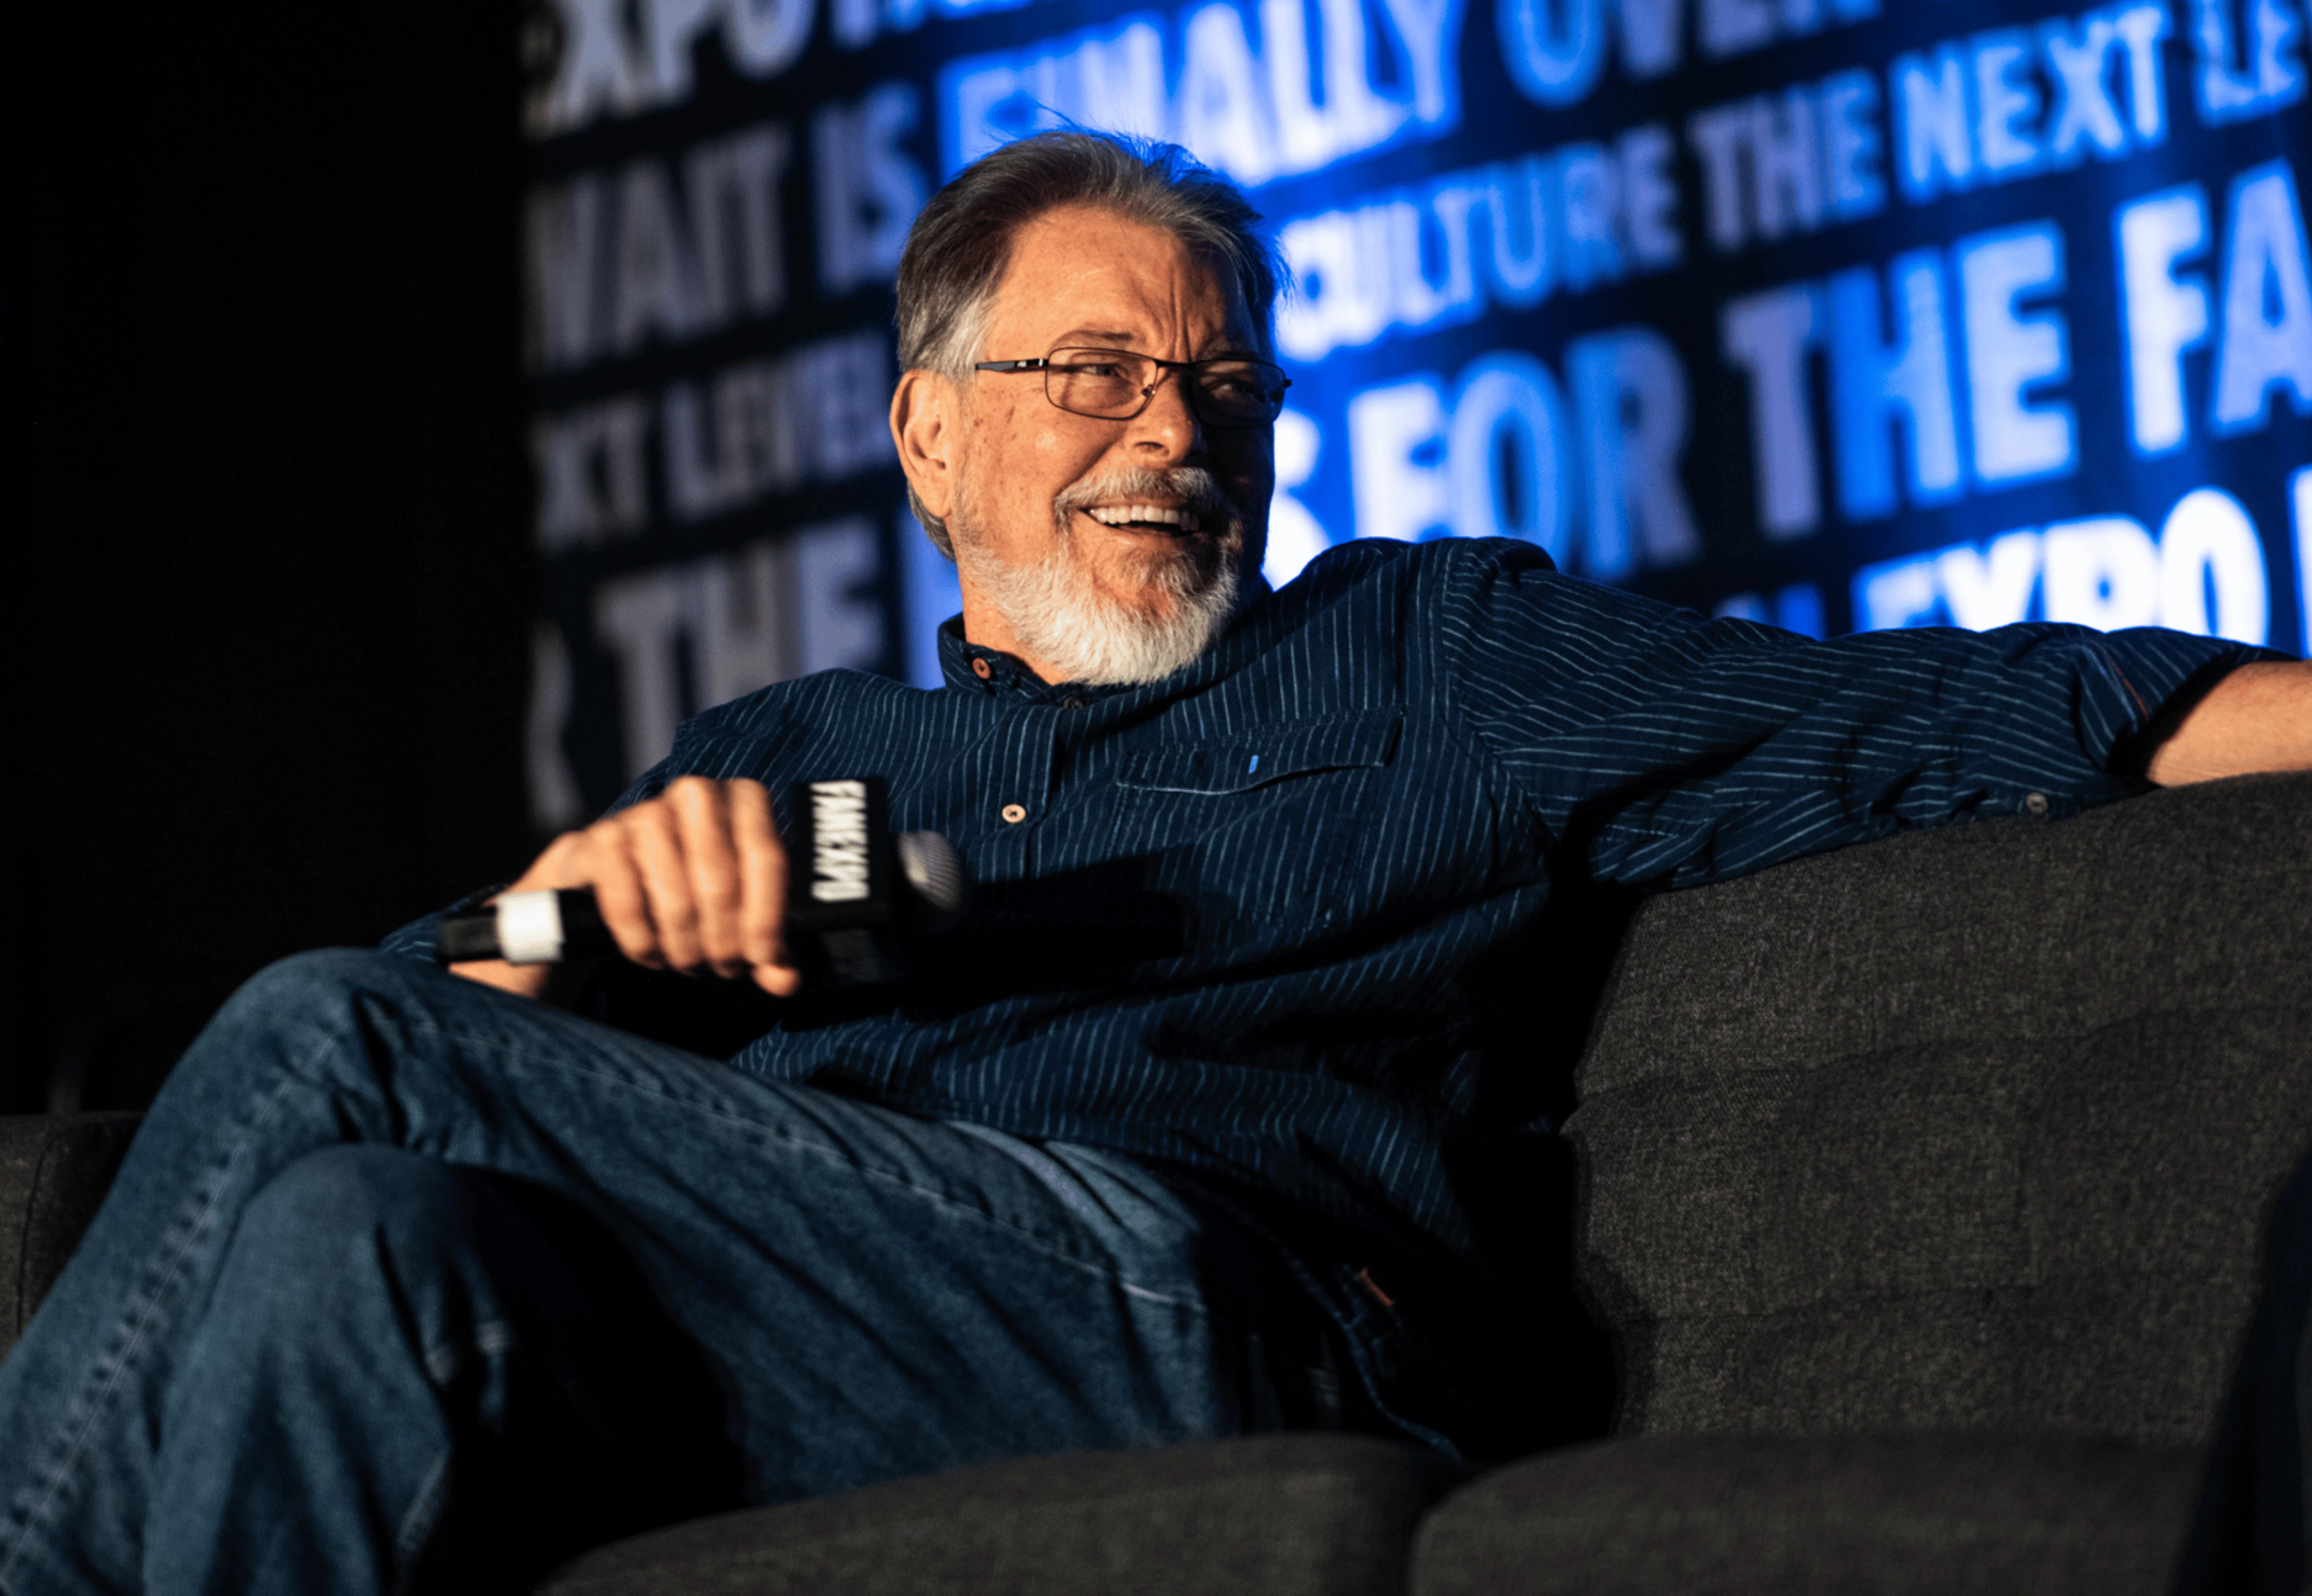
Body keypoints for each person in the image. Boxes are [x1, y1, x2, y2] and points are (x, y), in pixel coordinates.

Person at [2, 128, 2309, 1596]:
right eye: (1095, 376)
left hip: (1199, 1309)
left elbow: (1967, 713)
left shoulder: (1428, 655)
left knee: (319, 1036)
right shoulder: (787, 751)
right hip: (811, 1349)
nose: (1176, 435)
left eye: (1223, 390)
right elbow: (448, 998)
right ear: (932, 437)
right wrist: (579, 913)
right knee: (346, 1233)